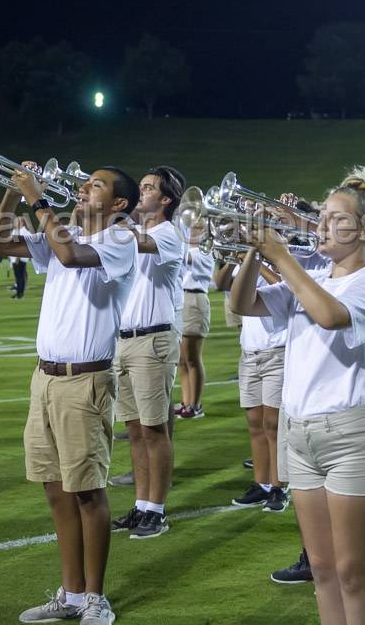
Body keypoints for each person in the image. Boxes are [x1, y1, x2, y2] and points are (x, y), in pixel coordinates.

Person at [230, 166, 365, 625]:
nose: (322, 225)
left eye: (335, 218)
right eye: (321, 216)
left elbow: (329, 316)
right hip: (298, 432)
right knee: (321, 570)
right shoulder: (314, 274)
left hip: (352, 435)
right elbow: (242, 304)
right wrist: (251, 251)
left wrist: (280, 256)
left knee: (351, 573)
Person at [0, 163, 139, 625]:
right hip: (44, 379)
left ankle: (96, 598)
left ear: (118, 205)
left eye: (96, 185)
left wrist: (37, 199)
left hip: (85, 380)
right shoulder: (64, 230)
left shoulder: (120, 240)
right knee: (54, 489)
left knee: (88, 491)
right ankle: (71, 594)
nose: (83, 188)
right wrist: (12, 194)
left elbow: (71, 256)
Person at [110, 166, 186, 539]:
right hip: (123, 339)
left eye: (147, 188)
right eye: (139, 187)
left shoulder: (169, 233)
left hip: (153, 340)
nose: (140, 193)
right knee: (135, 430)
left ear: (166, 199)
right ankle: (141, 505)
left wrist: (115, 213)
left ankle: (157, 509)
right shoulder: (132, 232)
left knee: (155, 430)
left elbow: (140, 243)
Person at [216, 258, 290, 513]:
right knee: (255, 423)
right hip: (249, 352)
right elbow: (220, 283)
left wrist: (258, 260)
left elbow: (282, 284)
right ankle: (262, 484)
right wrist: (232, 259)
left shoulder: (283, 258)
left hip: (277, 351)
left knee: (273, 423)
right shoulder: (245, 263)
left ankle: (280, 486)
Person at [178, 224, 215, 418]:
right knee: (181, 359)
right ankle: (186, 402)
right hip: (181, 300)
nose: (192, 229)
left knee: (192, 357)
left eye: (199, 227)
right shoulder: (186, 247)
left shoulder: (205, 251)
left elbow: (186, 258)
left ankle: (196, 404)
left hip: (194, 299)